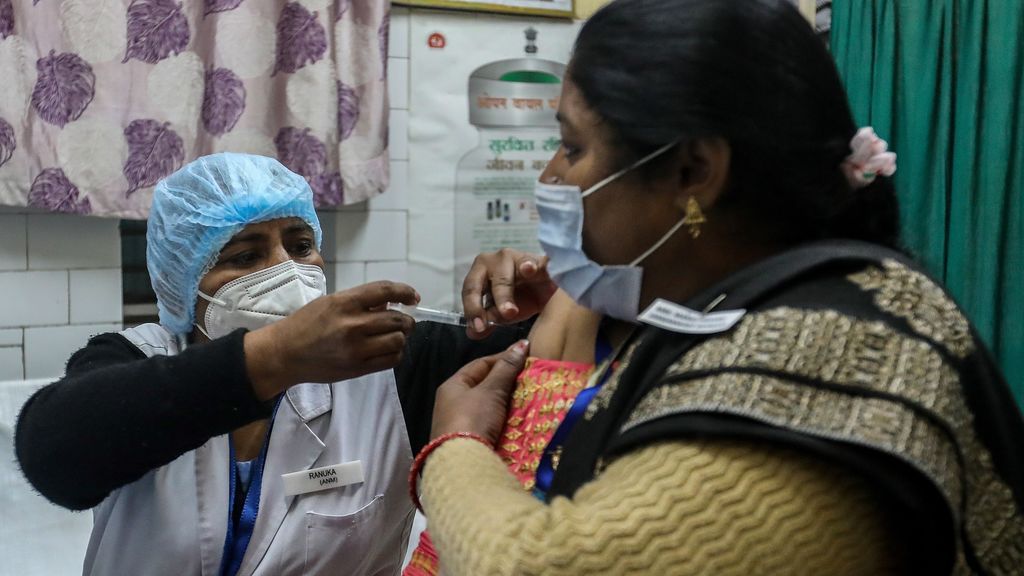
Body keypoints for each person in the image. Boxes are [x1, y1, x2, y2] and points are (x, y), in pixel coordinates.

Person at [405, 1, 1024, 575]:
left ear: (694, 170)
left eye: (572, 146)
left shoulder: (820, 348)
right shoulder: (776, 302)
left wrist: (454, 444)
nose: (550, 176)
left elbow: (541, 566)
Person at [13, 153, 527, 576]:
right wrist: (278, 356)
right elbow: (54, 453)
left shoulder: (389, 362)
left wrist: (534, 304)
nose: (287, 269)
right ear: (183, 284)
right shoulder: (137, 360)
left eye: (301, 246)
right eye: (243, 256)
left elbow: (551, 371)